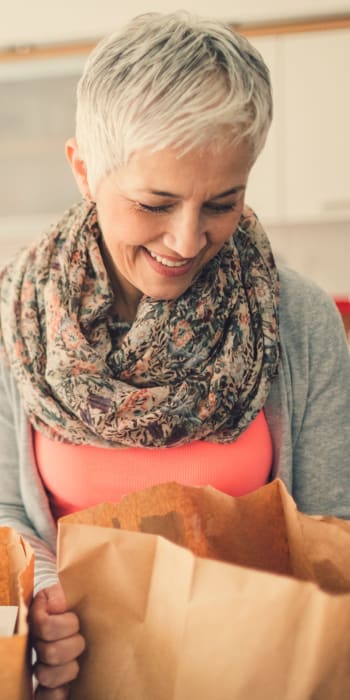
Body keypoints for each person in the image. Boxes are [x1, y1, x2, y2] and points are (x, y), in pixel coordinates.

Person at [1, 10, 350, 699]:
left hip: (260, 676)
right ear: (83, 169)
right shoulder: (17, 319)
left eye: (223, 202)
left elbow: (333, 520)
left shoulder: (296, 316)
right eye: (154, 203)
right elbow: (6, 508)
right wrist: (42, 609)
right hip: (80, 679)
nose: (187, 241)